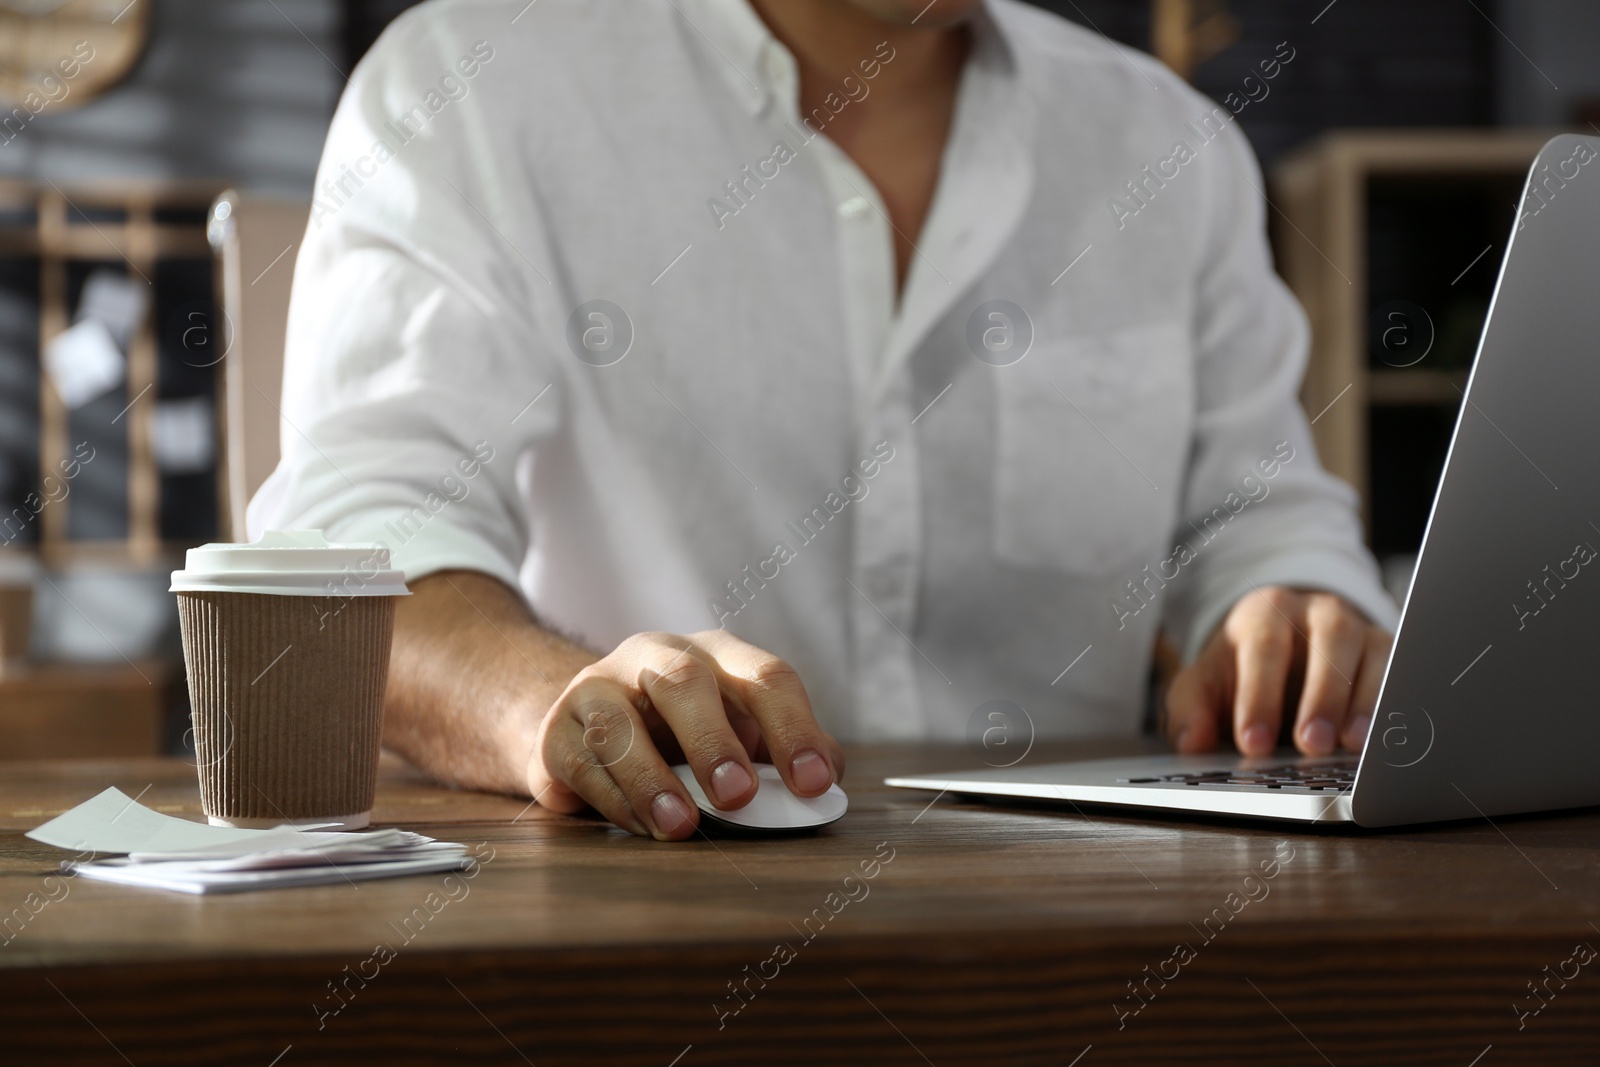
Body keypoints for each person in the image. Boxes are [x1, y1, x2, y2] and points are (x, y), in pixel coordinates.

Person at [250, 0, 1398, 840]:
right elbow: (353, 561)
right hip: (639, 896)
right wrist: (558, 701)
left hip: (1074, 919)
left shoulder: (1171, 150)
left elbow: (1258, 521)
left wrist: (1291, 601)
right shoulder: (470, 85)